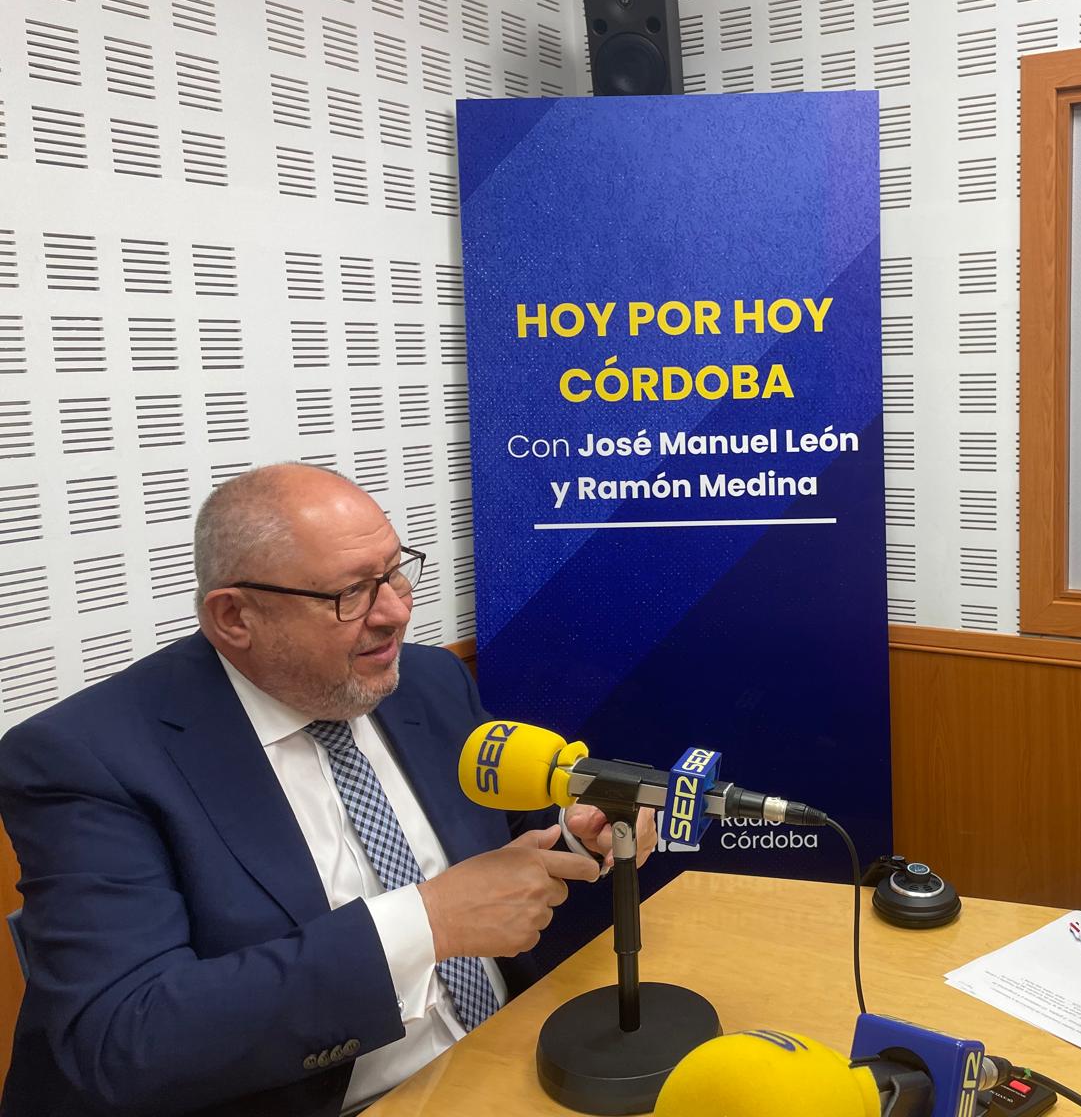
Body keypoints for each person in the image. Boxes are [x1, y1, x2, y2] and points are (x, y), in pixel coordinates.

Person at [0, 463, 656, 1115]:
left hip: (499, 1053)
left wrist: (576, 833)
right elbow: (120, 1040)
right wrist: (426, 925)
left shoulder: (425, 680)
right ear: (234, 617)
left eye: (395, 571)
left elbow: (503, 838)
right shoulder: (88, 760)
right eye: (353, 593)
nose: (397, 611)